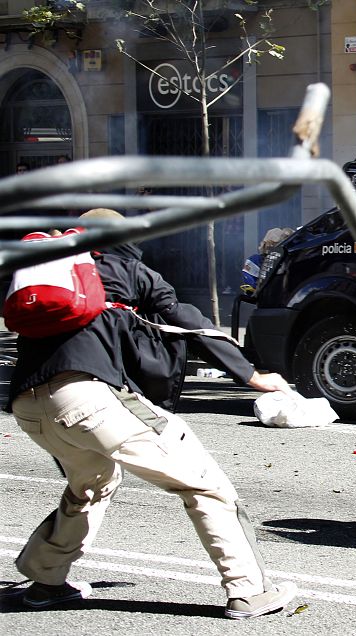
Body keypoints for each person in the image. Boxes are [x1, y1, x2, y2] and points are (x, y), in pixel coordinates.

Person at [5, 208, 298, 618]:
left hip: (28, 405)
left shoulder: (41, 268)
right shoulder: (127, 269)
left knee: (91, 486)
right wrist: (251, 374)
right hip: (87, 397)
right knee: (205, 484)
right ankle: (250, 591)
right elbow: (186, 321)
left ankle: (46, 581)